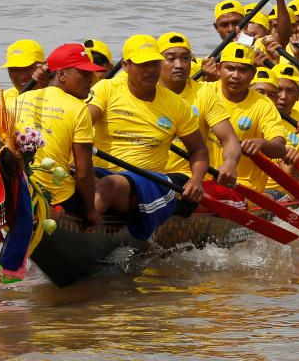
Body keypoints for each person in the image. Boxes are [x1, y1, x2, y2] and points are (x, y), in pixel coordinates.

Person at [86, 34, 210, 238]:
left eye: (154, 63)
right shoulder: (107, 88)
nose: (151, 70)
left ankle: (85, 234)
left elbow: (198, 150)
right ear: (125, 65)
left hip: (145, 180)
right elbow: (83, 122)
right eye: (143, 64)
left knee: (107, 186)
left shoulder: (175, 104)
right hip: (101, 172)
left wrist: (196, 179)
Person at [14, 43, 106, 225]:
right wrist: (90, 211)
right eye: (84, 73)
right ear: (61, 75)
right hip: (56, 195)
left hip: (19, 188)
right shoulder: (79, 109)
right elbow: (83, 173)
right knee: (100, 188)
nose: (91, 79)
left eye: (91, 73)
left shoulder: (21, 98)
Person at [157, 32, 240, 190]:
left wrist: (229, 163)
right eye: (170, 58)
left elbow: (229, 140)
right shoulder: (145, 90)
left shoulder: (204, 93)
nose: (179, 65)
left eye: (185, 58)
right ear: (156, 62)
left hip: (185, 176)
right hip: (146, 171)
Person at [209, 42, 289, 192]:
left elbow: (279, 148)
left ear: (253, 74)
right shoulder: (205, 92)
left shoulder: (264, 104)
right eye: (230, 68)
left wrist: (262, 143)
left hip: (242, 185)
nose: (236, 76)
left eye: (243, 70)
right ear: (219, 69)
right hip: (203, 178)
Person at [1, 39, 48, 107]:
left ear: (44, 66)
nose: (22, 77)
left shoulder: (61, 97)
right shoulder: (2, 100)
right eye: (14, 70)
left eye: (28, 68)